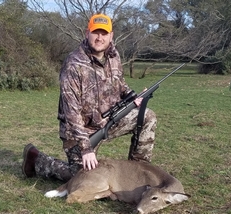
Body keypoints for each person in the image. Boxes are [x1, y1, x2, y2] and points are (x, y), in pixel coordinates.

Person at [22, 13, 157, 182]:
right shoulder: (73, 64)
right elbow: (71, 112)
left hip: (108, 121)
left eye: (104, 33)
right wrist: (86, 148)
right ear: (87, 33)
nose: (99, 37)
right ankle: (37, 161)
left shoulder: (114, 57)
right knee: (82, 177)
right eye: (96, 32)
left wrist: (133, 99)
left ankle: (138, 172)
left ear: (111, 35)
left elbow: (120, 85)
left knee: (147, 116)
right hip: (79, 131)